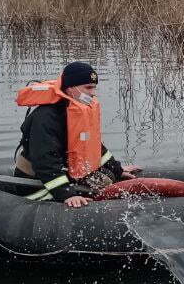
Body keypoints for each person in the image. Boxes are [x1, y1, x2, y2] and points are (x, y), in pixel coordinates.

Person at [14, 61, 140, 208]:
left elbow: (93, 146)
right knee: (94, 196)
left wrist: (117, 170)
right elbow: (45, 162)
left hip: (65, 171)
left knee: (108, 179)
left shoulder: (77, 111)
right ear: (70, 88)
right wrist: (67, 194)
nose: (93, 93)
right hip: (37, 183)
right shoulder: (46, 118)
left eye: (94, 88)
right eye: (88, 87)